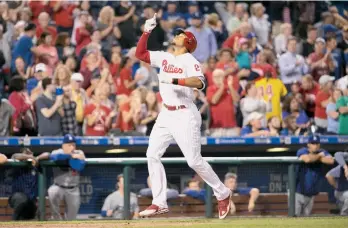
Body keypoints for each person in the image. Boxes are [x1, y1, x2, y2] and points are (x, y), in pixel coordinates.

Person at [135, 14, 233, 219]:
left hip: (185, 113)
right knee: (152, 155)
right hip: (165, 114)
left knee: (194, 161)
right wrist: (146, 31)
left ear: (188, 42)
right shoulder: (165, 56)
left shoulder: (190, 60)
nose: (177, 35)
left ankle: (223, 193)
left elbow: (199, 83)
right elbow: (141, 54)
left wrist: (174, 80)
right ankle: (159, 202)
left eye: (181, 35)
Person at [48, 134, 86, 220]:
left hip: (73, 189)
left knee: (71, 219)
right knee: (52, 191)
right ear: (63, 146)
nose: (72, 147)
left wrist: (76, 158)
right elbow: (55, 157)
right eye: (69, 145)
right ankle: (57, 220)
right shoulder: (57, 152)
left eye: (73, 145)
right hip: (59, 186)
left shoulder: (79, 153)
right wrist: (70, 156)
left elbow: (80, 166)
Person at [295, 135, 334, 216]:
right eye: (313, 143)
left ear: (319, 145)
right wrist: (320, 156)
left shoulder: (323, 151)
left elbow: (331, 161)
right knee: (294, 219)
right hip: (297, 193)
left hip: (311, 195)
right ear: (308, 144)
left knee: (306, 221)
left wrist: (316, 157)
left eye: (317, 143)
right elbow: (307, 159)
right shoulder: (302, 150)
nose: (315, 146)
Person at [9, 148, 50, 220]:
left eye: (30, 152)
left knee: (37, 212)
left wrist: (37, 158)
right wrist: (30, 157)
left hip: (31, 202)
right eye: (26, 153)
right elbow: (15, 156)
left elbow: (48, 154)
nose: (29, 154)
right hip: (17, 198)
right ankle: (13, 222)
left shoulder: (35, 166)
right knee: (21, 199)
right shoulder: (17, 164)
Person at [206, 69, 240, 137]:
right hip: (216, 127)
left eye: (220, 76)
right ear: (212, 78)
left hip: (231, 126)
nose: (218, 78)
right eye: (216, 76)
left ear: (224, 77)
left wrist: (230, 86)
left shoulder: (229, 88)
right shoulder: (210, 89)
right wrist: (222, 87)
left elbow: (236, 100)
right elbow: (214, 100)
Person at [326, 151, 348, 216]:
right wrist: (345, 167)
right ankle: (344, 215)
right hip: (342, 192)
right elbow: (337, 154)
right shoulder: (342, 167)